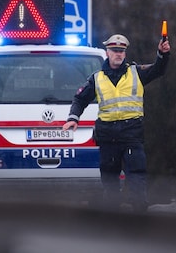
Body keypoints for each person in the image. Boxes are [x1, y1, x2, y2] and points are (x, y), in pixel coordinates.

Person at [62, 33, 170, 211]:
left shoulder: (136, 73)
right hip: (108, 137)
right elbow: (80, 99)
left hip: (131, 136)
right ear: (107, 52)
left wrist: (162, 54)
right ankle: (112, 221)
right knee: (110, 182)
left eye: (121, 51)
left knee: (136, 179)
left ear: (125, 53)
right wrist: (73, 118)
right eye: (114, 50)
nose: (118, 54)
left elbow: (158, 69)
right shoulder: (97, 78)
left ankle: (140, 221)